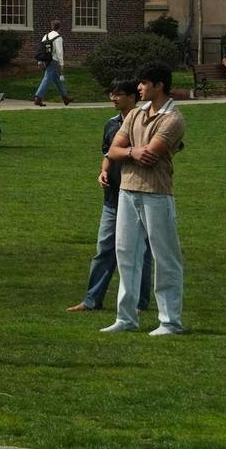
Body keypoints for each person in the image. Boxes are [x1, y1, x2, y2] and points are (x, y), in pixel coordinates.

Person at [101, 62, 186, 336]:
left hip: (157, 193)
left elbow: (151, 154)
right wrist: (130, 153)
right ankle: (126, 317)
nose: (139, 87)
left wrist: (131, 152)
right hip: (127, 190)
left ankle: (170, 321)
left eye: (144, 83)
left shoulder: (173, 118)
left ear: (158, 85)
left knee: (165, 257)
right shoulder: (135, 114)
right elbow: (113, 149)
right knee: (126, 254)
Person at [68, 79, 155, 315]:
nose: (113, 98)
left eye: (118, 94)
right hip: (113, 198)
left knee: (140, 251)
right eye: (111, 94)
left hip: (138, 194)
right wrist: (104, 171)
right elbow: (107, 154)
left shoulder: (145, 123)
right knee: (104, 249)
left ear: (131, 97)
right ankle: (92, 299)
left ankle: (139, 302)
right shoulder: (111, 125)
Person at [34, 19, 71, 106]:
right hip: (54, 60)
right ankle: (38, 98)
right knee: (47, 78)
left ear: (52, 26)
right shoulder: (58, 38)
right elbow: (59, 51)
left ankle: (65, 98)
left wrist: (40, 61)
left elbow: (41, 49)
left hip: (46, 60)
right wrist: (62, 64)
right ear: (60, 27)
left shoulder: (45, 36)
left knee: (57, 79)